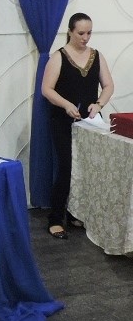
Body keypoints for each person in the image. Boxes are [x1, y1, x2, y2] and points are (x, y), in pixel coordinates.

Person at [41, 12, 114, 240]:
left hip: (90, 121)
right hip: (63, 121)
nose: (85, 37)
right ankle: (55, 218)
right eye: (81, 33)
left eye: (89, 33)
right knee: (66, 168)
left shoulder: (97, 56)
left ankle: (76, 213)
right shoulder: (59, 57)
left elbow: (108, 85)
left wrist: (99, 104)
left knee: (89, 167)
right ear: (70, 32)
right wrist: (65, 104)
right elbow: (47, 89)